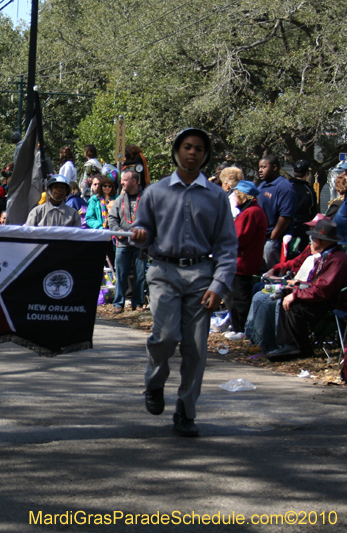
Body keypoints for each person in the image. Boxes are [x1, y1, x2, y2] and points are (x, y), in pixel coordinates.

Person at [131, 128, 237, 437]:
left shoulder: (217, 196)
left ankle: (186, 412)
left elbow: (227, 246)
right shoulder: (156, 192)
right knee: (164, 337)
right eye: (187, 147)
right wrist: (140, 235)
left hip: (201, 276)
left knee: (195, 348)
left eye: (199, 148)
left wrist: (219, 285)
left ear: (206, 155)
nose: (193, 152)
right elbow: (143, 232)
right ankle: (154, 383)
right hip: (163, 272)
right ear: (177, 151)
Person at [268, 218, 347, 361]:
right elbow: (315, 283)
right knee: (285, 295)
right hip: (322, 298)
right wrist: (296, 287)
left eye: (313, 238)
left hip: (332, 303)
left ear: (321, 241)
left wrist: (296, 294)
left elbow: (323, 290)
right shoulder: (325, 256)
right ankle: (287, 344)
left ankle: (301, 347)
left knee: (295, 306)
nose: (311, 241)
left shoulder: (337, 259)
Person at [222, 181, 268, 341]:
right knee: (233, 295)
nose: (233, 197)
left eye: (235, 194)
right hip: (242, 260)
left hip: (242, 261)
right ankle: (238, 327)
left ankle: (241, 328)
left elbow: (238, 237)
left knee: (238, 297)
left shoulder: (250, 213)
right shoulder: (252, 211)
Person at [108, 170, 146, 313]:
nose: (121, 182)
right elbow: (112, 218)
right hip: (123, 243)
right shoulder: (119, 199)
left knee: (140, 274)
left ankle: (138, 303)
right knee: (121, 274)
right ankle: (118, 303)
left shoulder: (146, 198)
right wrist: (118, 231)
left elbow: (153, 217)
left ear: (134, 181)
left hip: (140, 243)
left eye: (125, 180)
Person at [257, 154, 296, 268]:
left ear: (275, 167)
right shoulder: (262, 185)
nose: (260, 170)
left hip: (273, 240)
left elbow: (286, 216)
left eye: (264, 167)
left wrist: (273, 237)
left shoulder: (285, 187)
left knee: (270, 272)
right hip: (260, 236)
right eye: (259, 167)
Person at [288, 160, 319, 259]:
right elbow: (314, 213)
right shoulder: (309, 190)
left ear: (293, 171)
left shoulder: (286, 187)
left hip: (285, 227)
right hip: (302, 230)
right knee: (300, 258)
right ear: (307, 173)